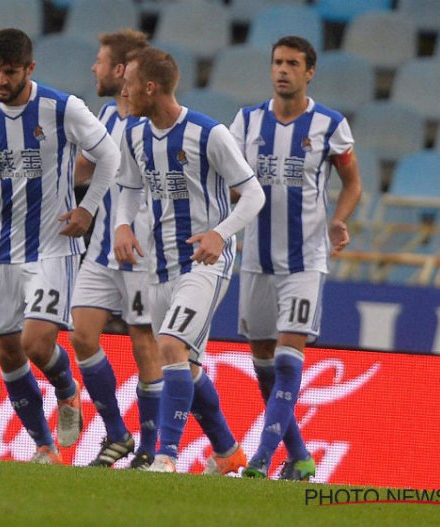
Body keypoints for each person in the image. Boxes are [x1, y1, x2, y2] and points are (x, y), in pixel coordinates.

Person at [0, 28, 120, 464]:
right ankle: (44, 446)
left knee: (37, 343)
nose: (2, 80)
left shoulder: (62, 107)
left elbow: (110, 155)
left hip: (53, 246)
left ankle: (67, 389)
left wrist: (87, 208)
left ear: (30, 69)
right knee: (6, 350)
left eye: (11, 72)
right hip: (2, 248)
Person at [113, 47, 266, 473]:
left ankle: (166, 457)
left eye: (129, 84)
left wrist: (221, 233)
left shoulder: (208, 134)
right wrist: (122, 225)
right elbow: (128, 187)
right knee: (187, 364)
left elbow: (254, 194)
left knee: (169, 346)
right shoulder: (134, 134)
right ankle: (227, 451)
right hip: (158, 264)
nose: (122, 91)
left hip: (205, 261)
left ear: (150, 87)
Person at [230, 36, 361, 480]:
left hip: (305, 261)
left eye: (293, 63)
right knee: (264, 360)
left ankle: (262, 458)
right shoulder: (245, 123)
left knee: (288, 357)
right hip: (256, 262)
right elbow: (228, 181)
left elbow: (353, 183)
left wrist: (339, 220)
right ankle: (301, 457)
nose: (283, 69)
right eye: (277, 62)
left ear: (310, 72)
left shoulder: (330, 124)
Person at [68, 29, 162, 470]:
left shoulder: (152, 126)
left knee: (145, 341)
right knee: (82, 334)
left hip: (139, 252)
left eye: (101, 61)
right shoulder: (105, 115)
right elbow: (80, 170)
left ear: (121, 71)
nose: (94, 68)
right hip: (100, 250)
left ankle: (149, 445)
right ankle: (116, 432)